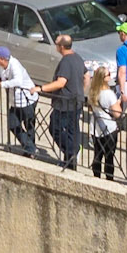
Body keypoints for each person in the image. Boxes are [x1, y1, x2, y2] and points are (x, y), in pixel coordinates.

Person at [37, 33, 86, 169]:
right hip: (76, 101)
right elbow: (86, 76)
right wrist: (80, 90)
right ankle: (71, 158)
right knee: (72, 130)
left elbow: (60, 82)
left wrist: (41, 88)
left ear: (62, 47)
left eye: (57, 44)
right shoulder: (77, 57)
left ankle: (71, 153)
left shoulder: (66, 61)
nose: (55, 46)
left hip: (65, 103)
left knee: (55, 128)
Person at [0, 46, 40, 156]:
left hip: (27, 100)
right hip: (15, 101)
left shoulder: (15, 65)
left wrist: (1, 84)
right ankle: (30, 148)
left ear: (2, 59)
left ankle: (30, 151)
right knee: (13, 124)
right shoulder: (0, 66)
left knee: (29, 126)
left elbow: (18, 81)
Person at [85, 65, 120, 180]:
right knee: (109, 156)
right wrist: (120, 101)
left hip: (95, 128)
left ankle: (96, 178)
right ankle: (109, 179)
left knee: (97, 155)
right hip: (109, 128)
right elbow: (117, 113)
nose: (110, 76)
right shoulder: (109, 94)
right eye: (108, 75)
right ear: (103, 78)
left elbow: (90, 108)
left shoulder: (92, 92)